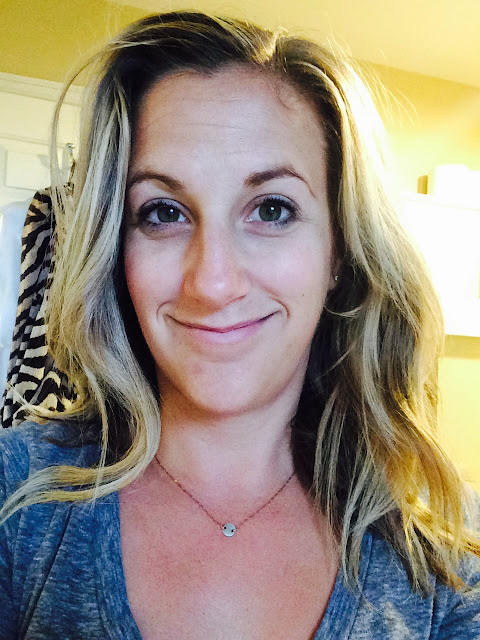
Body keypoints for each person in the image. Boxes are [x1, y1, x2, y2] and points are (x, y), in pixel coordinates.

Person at [0, 10, 479, 639]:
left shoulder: (445, 557)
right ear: (117, 249)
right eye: (163, 212)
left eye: (272, 209)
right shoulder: (18, 499)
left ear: (339, 251)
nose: (213, 282)